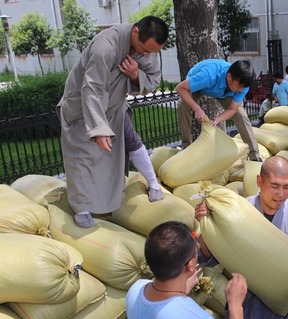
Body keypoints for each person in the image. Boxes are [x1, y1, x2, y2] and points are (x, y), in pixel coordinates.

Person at [194, 156, 288, 319]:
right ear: (259, 181)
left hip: (286, 304)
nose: (281, 194)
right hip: (247, 302)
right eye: (275, 186)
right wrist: (205, 225)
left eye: (287, 187)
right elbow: (210, 256)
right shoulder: (238, 212)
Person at [57, 16, 169, 228]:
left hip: (116, 107)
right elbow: (92, 88)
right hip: (83, 108)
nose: (146, 55)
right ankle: (81, 206)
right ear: (135, 32)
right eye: (145, 50)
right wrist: (99, 128)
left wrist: (136, 74)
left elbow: (153, 78)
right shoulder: (104, 46)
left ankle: (153, 183)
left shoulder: (146, 47)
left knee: (131, 140)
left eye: (152, 53)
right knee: (81, 158)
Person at [126, 221, 248, 319]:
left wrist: (183, 288)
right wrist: (235, 305)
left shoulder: (136, 290)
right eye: (196, 253)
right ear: (190, 265)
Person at [176, 59, 261, 161]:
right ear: (229, 76)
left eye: (243, 87)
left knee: (240, 114)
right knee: (182, 105)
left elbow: (232, 109)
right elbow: (180, 88)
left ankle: (254, 156)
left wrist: (216, 119)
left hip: (224, 93)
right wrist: (197, 109)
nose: (241, 90)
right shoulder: (208, 75)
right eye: (239, 86)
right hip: (200, 86)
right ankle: (186, 146)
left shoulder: (243, 84)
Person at [123, 107, 164, 202]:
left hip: (113, 106)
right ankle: (83, 209)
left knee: (130, 139)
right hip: (86, 111)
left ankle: (153, 183)